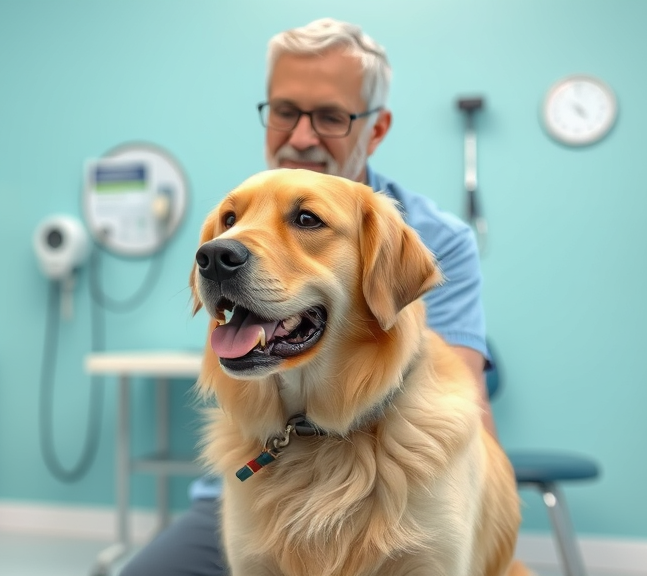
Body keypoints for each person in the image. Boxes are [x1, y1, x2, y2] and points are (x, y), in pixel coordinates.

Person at [120, 17, 494, 576]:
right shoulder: (240, 219)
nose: (299, 137)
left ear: (377, 128)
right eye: (285, 111)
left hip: (398, 484)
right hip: (256, 476)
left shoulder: (437, 240)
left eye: (329, 116)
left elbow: (463, 402)